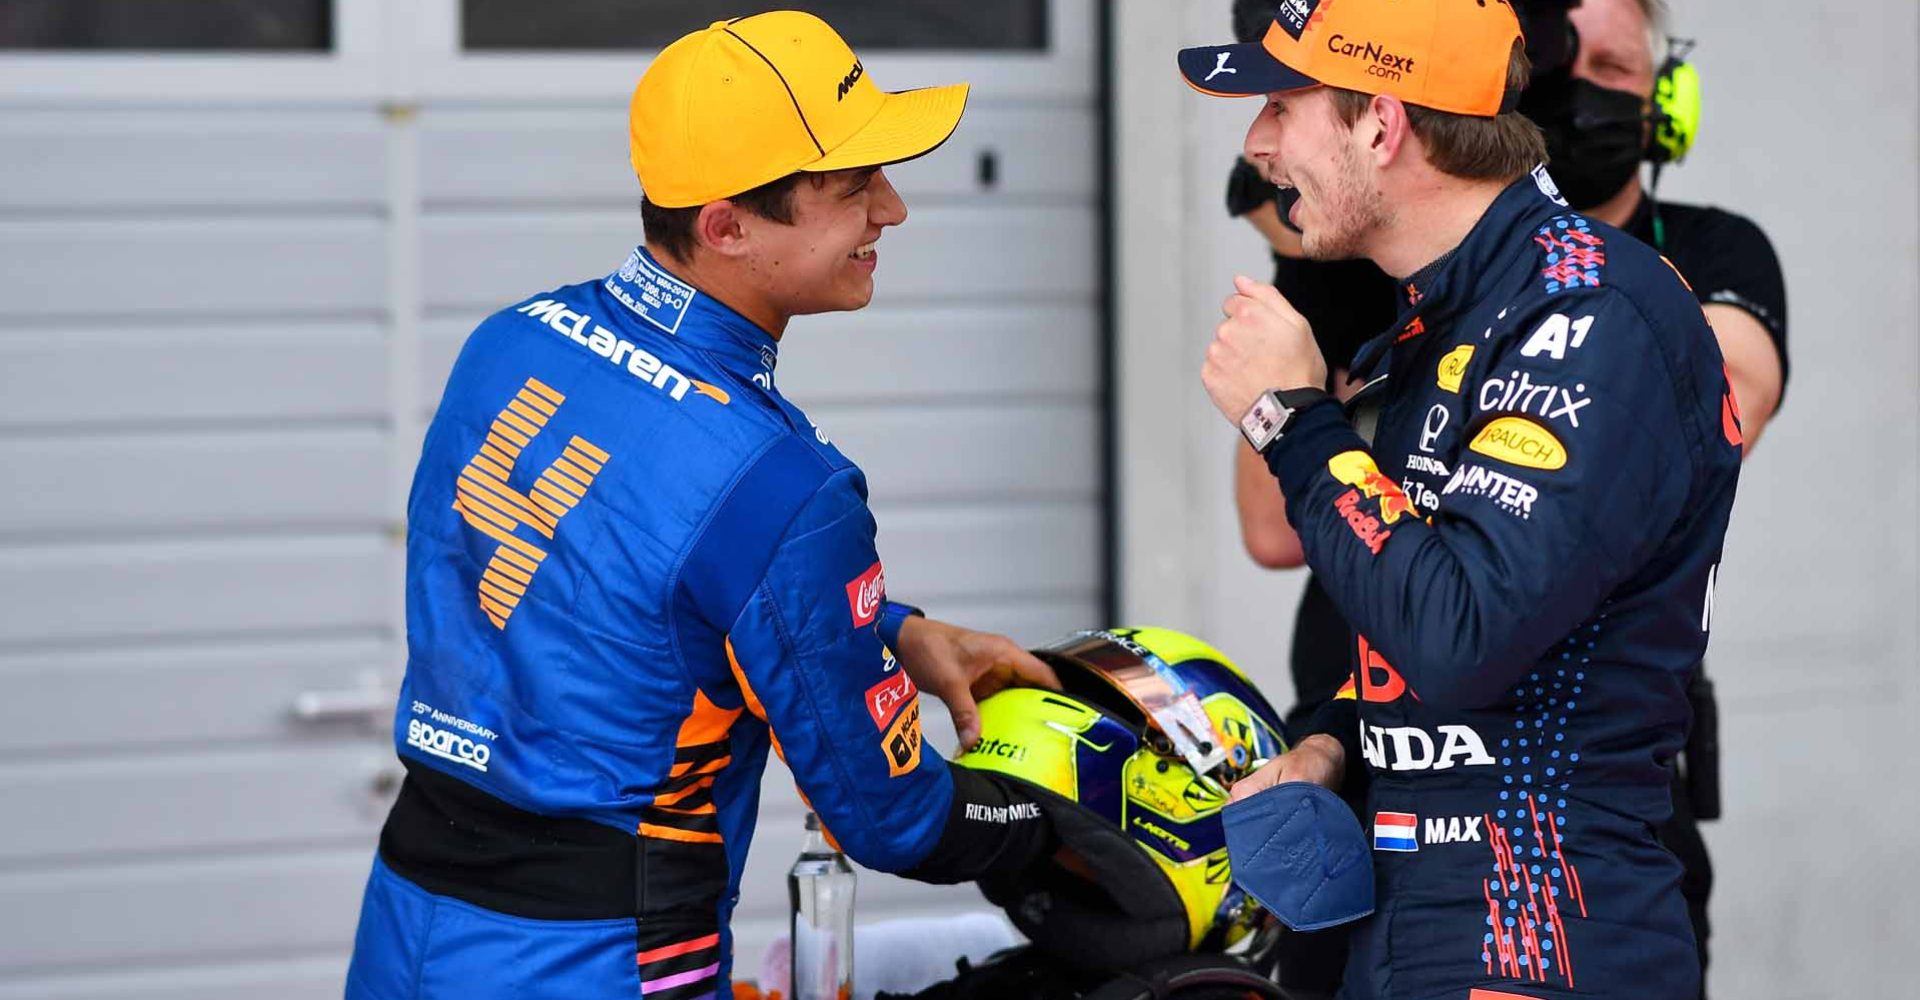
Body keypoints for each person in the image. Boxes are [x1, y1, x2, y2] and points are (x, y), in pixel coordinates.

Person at [345, 12, 1066, 1000]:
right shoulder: (785, 487)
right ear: (725, 225)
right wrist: (1054, 829)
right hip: (598, 956)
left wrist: (890, 629)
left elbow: (617, 574)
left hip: (408, 923)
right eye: (855, 189)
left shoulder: (512, 339)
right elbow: (887, 814)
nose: (892, 210)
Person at [1222, 1, 1788, 991]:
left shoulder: (1587, 308)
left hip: (1539, 934)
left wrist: (1292, 418)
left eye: (1280, 104)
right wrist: (1335, 743)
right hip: (1413, 921)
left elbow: (1467, 631)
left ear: (1382, 123)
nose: (1256, 141)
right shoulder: (1448, 316)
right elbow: (1497, 639)